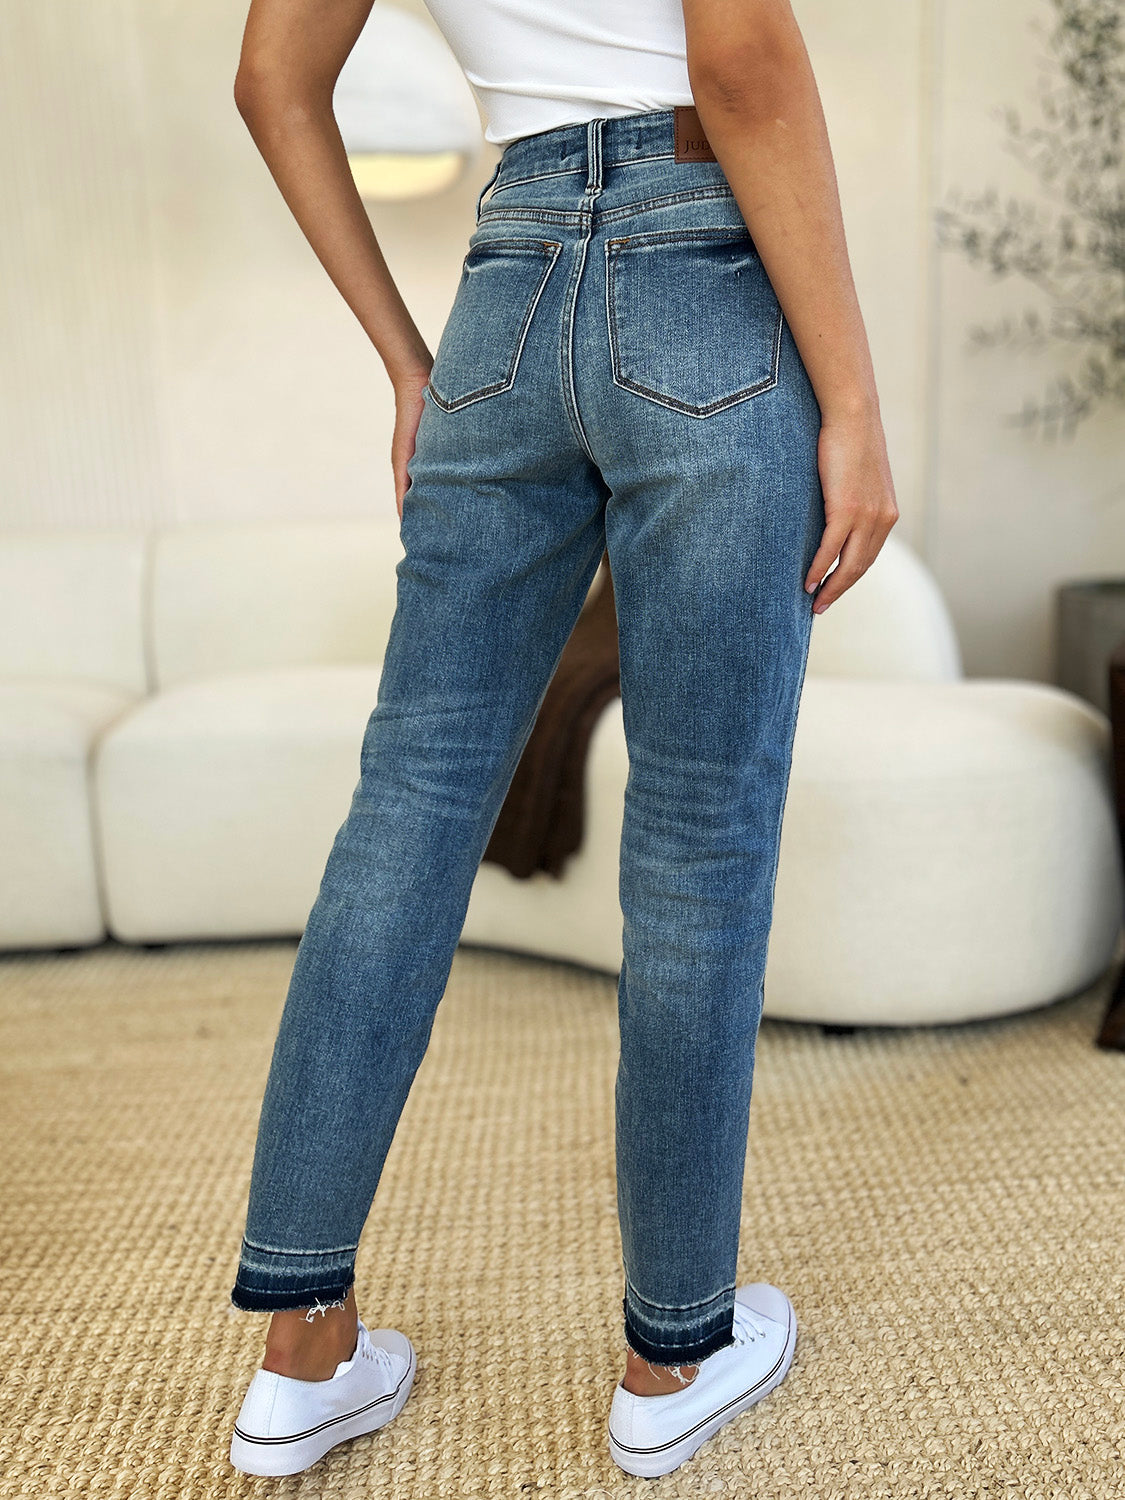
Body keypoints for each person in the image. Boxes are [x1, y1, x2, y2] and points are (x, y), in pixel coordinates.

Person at [226, 0, 898, 1480]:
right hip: (702, 273)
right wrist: (849, 400)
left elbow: (270, 81)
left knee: (405, 801)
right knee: (700, 830)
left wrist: (412, 367)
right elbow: (740, 65)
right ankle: (674, 1351)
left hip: (504, 292)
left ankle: (300, 1346)